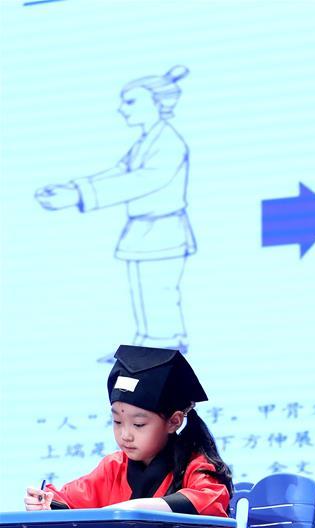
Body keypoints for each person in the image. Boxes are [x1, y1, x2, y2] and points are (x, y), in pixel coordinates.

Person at [35, 66, 196, 362]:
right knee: (144, 293)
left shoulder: (168, 143)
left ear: (158, 103)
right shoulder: (146, 141)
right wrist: (73, 188)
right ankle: (148, 347)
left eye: (131, 102)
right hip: (144, 230)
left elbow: (142, 181)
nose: (123, 109)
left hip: (163, 229)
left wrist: (78, 195)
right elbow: (119, 172)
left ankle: (163, 348)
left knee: (158, 292)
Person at [24, 345, 232, 528]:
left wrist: (130, 511)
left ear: (174, 421)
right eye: (117, 421)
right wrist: (45, 505)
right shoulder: (113, 467)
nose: (125, 435)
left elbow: (208, 500)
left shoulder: (195, 466)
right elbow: (68, 500)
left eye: (138, 424)